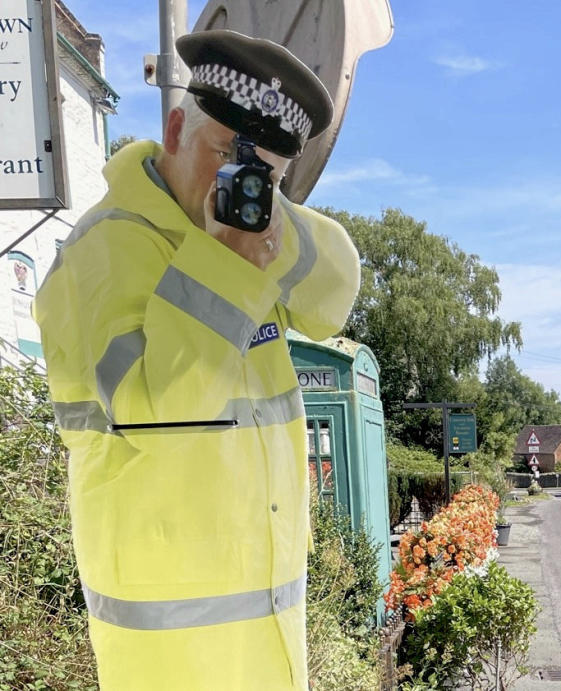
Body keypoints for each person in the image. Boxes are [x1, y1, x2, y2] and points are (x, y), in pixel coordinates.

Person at [33, 30, 361, 690]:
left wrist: (266, 218)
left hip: (266, 648)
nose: (236, 183)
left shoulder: (242, 235)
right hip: (172, 663)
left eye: (263, 172)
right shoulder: (105, 249)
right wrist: (227, 266)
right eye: (224, 156)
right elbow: (163, 415)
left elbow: (336, 296)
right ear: (176, 127)